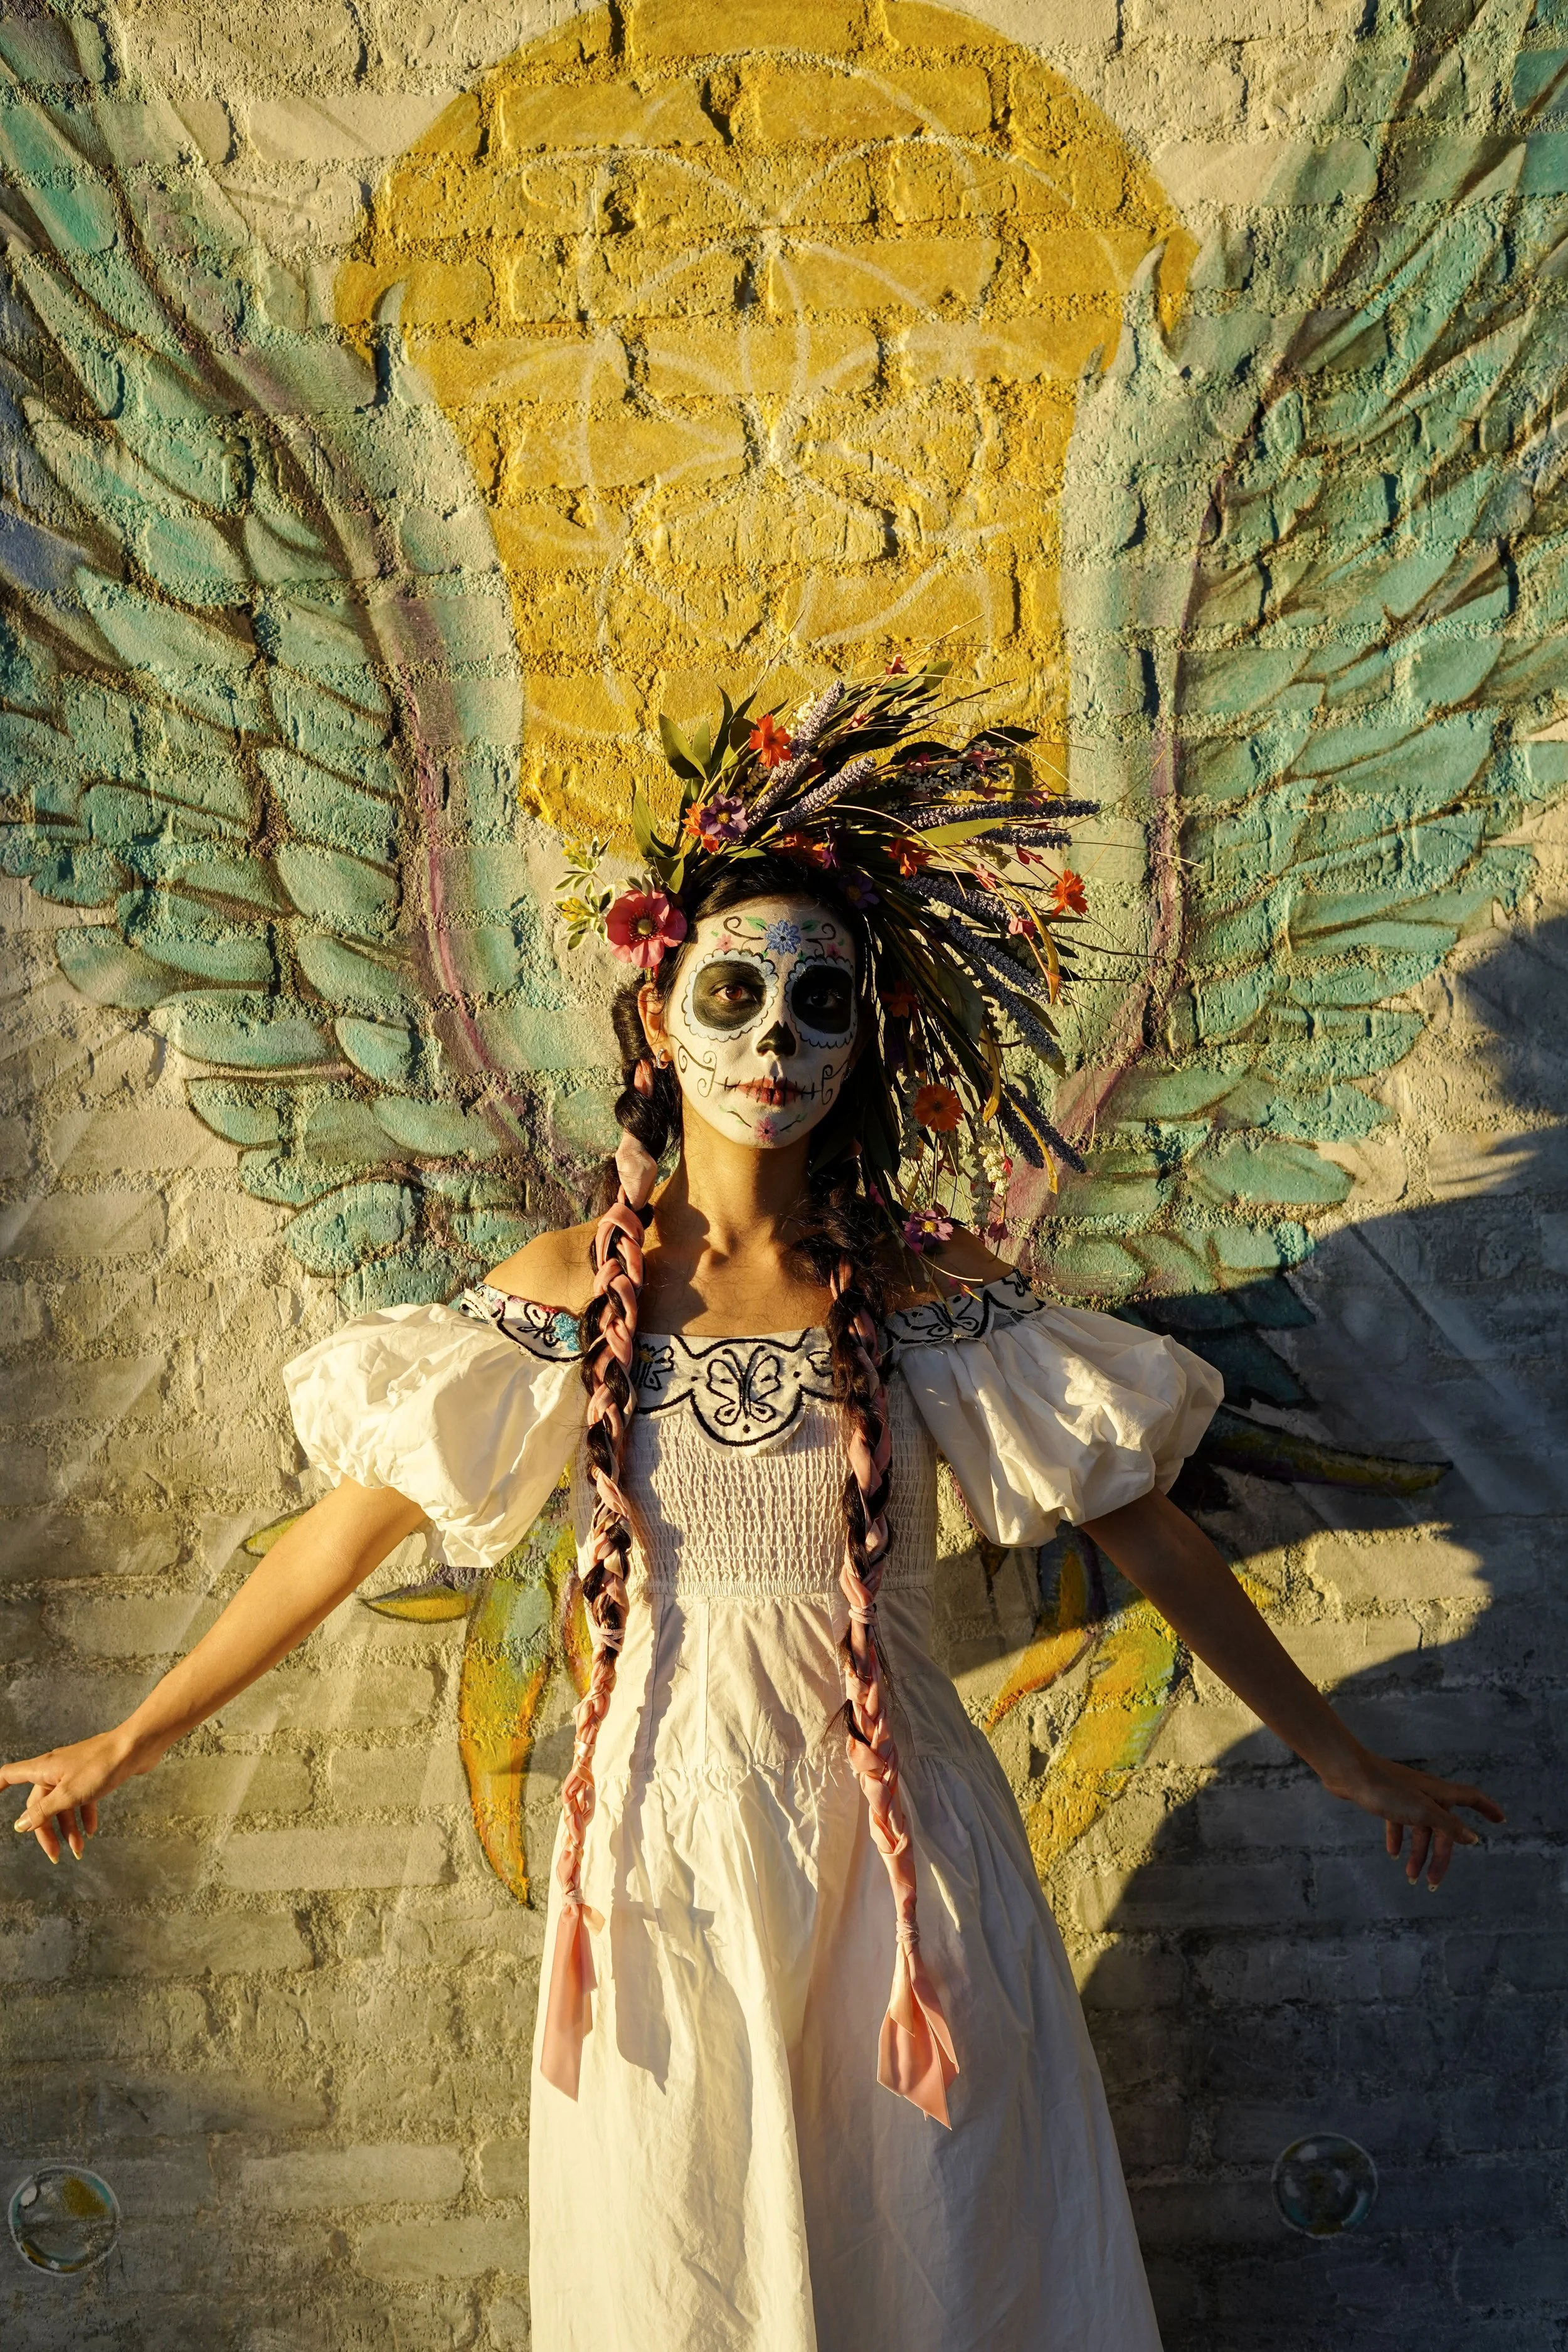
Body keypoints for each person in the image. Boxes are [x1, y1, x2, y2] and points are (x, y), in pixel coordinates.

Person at [2, 671, 1502, 2350]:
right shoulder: (573, 1291)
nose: (773, 1042)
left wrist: (1337, 1753)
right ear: (659, 1015)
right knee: (685, 2263)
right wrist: (132, 1733)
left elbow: (1146, 1527)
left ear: (865, 1036)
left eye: (819, 1004)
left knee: (934, 2251)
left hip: (902, 1853)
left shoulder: (925, 1294)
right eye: (734, 992)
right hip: (662, 1860)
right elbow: (347, 1529)